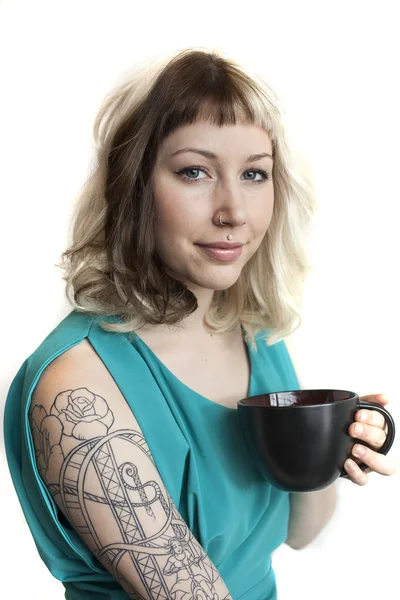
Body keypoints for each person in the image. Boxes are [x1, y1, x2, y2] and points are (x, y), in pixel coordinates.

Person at [4, 47, 396, 600]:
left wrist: (329, 446)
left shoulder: (252, 331)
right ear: (133, 186)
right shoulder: (77, 388)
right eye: (195, 172)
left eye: (255, 174)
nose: (234, 210)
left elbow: (300, 533)